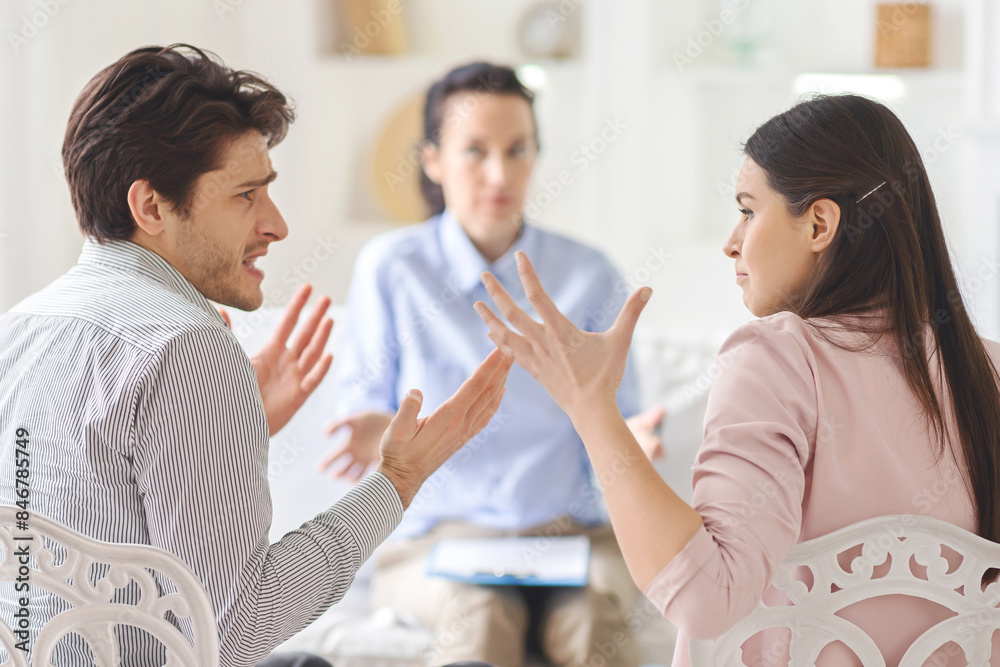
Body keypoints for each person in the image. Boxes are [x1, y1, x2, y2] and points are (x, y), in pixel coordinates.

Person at [0, 44, 511, 667]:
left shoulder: (22, 328)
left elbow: (75, 512)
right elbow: (238, 628)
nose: (276, 225)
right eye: (247, 195)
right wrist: (398, 482)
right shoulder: (186, 346)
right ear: (151, 206)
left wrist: (242, 427)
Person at [474, 94, 1000, 666]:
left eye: (749, 211)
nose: (732, 241)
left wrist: (590, 408)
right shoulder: (988, 370)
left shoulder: (779, 357)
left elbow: (708, 597)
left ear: (820, 224)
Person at [318, 62, 663, 667]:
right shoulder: (392, 268)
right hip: (439, 541)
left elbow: (621, 417)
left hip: (571, 536)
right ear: (432, 160)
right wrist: (381, 435)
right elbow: (365, 409)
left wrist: (627, 438)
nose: (499, 174)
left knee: (592, 630)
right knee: (479, 617)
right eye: (474, 151)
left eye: (517, 150)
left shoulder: (589, 273)